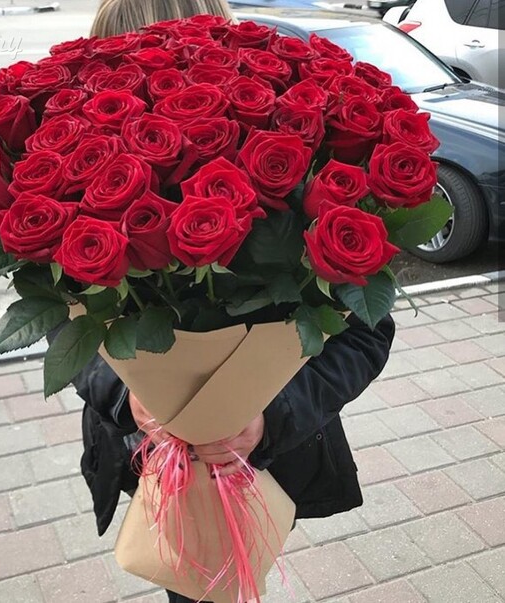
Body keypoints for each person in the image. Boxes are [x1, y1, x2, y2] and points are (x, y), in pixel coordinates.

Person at [66, 1, 397, 602]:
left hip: (267, 458)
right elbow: (70, 330)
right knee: (189, 577)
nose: (137, 86)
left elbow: (364, 331)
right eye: (114, 67)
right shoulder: (79, 184)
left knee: (221, 576)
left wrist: (268, 419)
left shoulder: (292, 179)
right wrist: (128, 398)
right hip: (144, 452)